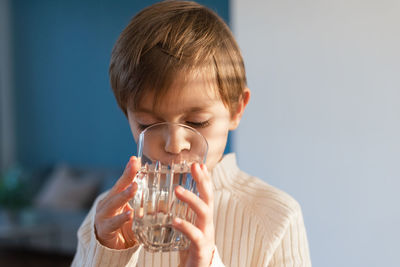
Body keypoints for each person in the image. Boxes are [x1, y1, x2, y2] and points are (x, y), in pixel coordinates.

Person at [72, 1, 311, 266]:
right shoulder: (106, 215)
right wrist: (107, 254)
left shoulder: (275, 218)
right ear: (126, 114)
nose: (174, 145)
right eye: (148, 124)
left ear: (236, 110)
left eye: (197, 122)